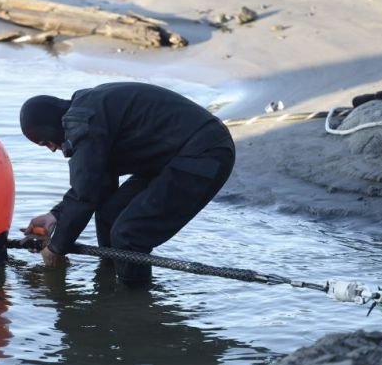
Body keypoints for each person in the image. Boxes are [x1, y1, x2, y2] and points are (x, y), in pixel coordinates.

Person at [19, 82, 235, 285]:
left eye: (45, 142)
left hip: (205, 153)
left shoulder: (81, 124)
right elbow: (94, 183)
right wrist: (55, 215)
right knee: (110, 214)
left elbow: (84, 195)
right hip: (173, 157)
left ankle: (135, 305)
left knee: (129, 234)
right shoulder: (86, 113)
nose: (53, 149)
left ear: (50, 125)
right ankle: (110, 283)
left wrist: (56, 248)